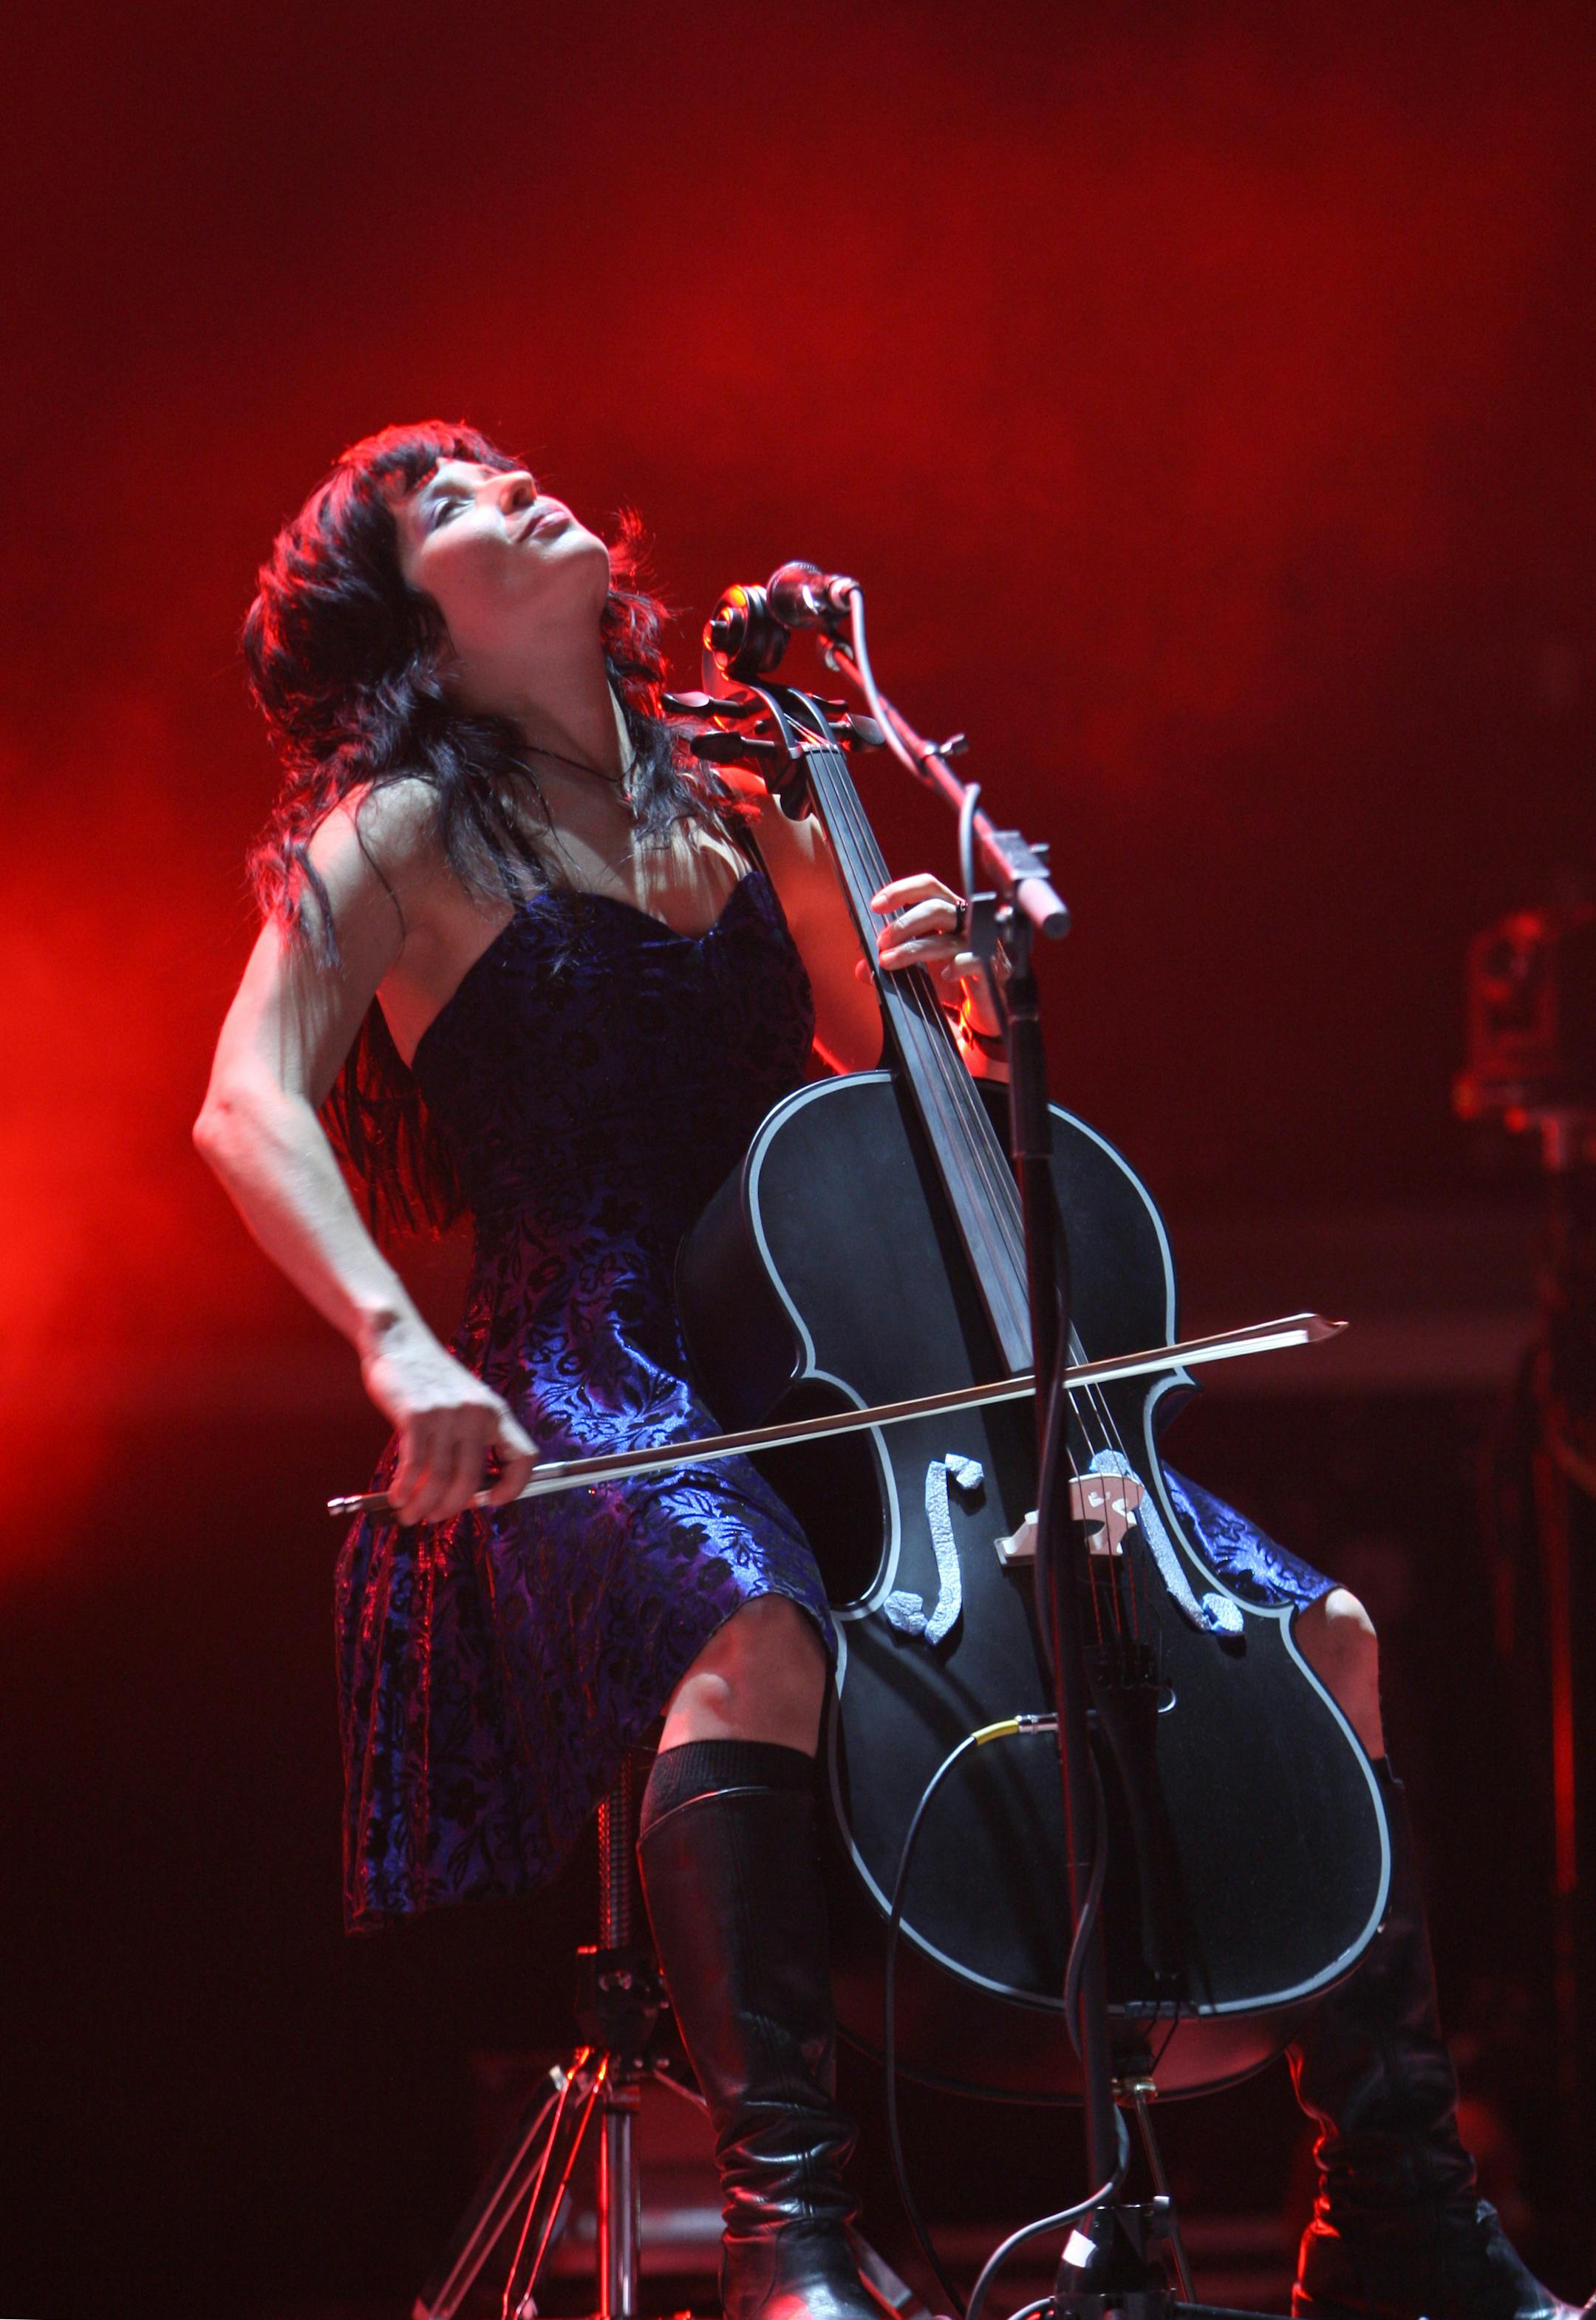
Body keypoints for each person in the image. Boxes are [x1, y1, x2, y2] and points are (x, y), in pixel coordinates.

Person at [195, 422, 1585, 2320]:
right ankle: (794, 2242)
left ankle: (1402, 2209)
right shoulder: (416, 834)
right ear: (415, 640)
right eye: (448, 502)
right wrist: (396, 1345)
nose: (515, 483)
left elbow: (854, 1071)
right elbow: (242, 1102)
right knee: (750, 1636)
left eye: (507, 463)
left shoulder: (733, 785)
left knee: (1317, 1628)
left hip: (843, 1347)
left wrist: (933, 988)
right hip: (607, 1370)